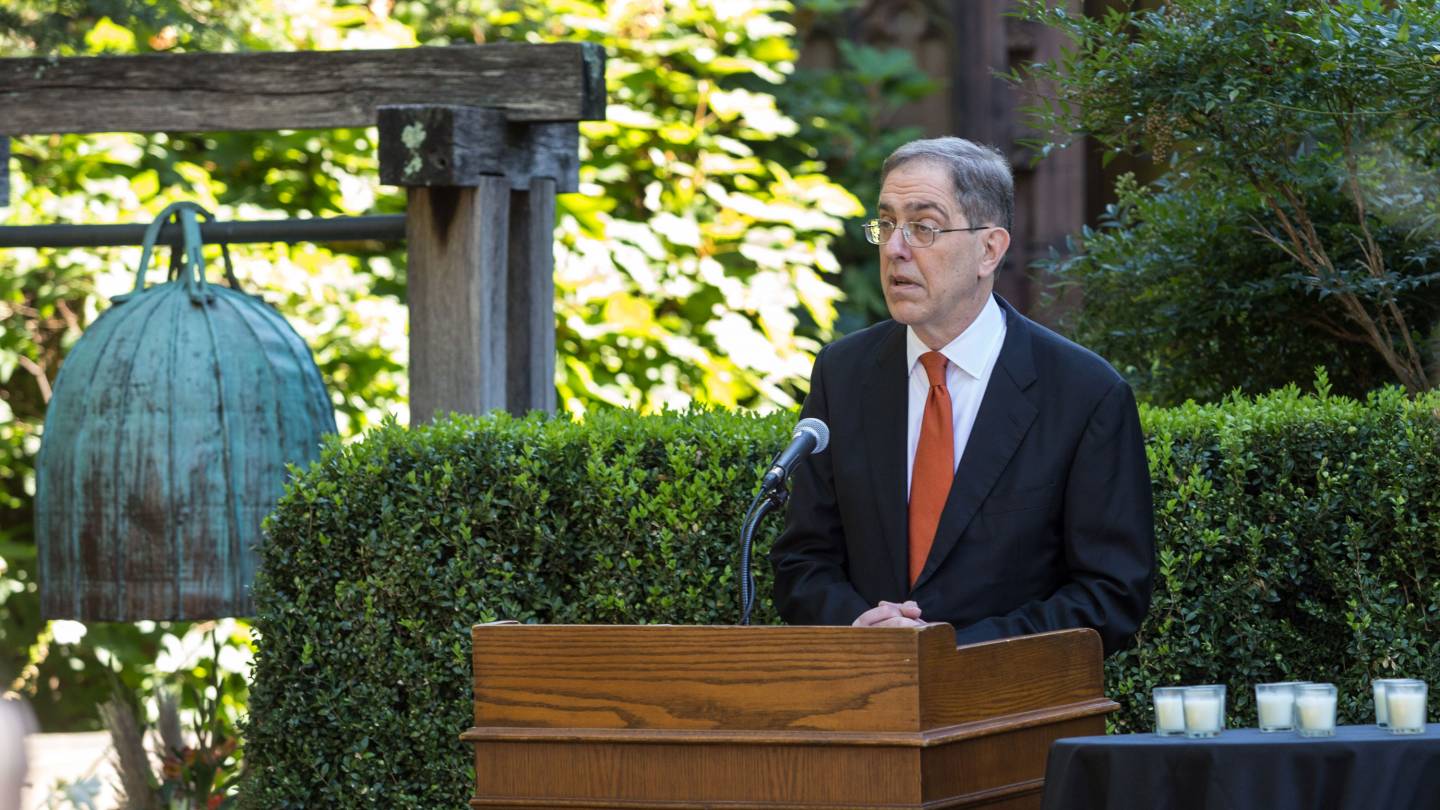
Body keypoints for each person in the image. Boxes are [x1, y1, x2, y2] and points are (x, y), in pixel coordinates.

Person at [770, 137, 1154, 655]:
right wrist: (860, 624)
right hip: (871, 708)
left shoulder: (1085, 393)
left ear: (989, 249)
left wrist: (952, 651)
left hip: (1010, 714)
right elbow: (803, 561)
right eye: (885, 225)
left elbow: (1110, 595)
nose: (894, 248)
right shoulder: (843, 374)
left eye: (923, 227)